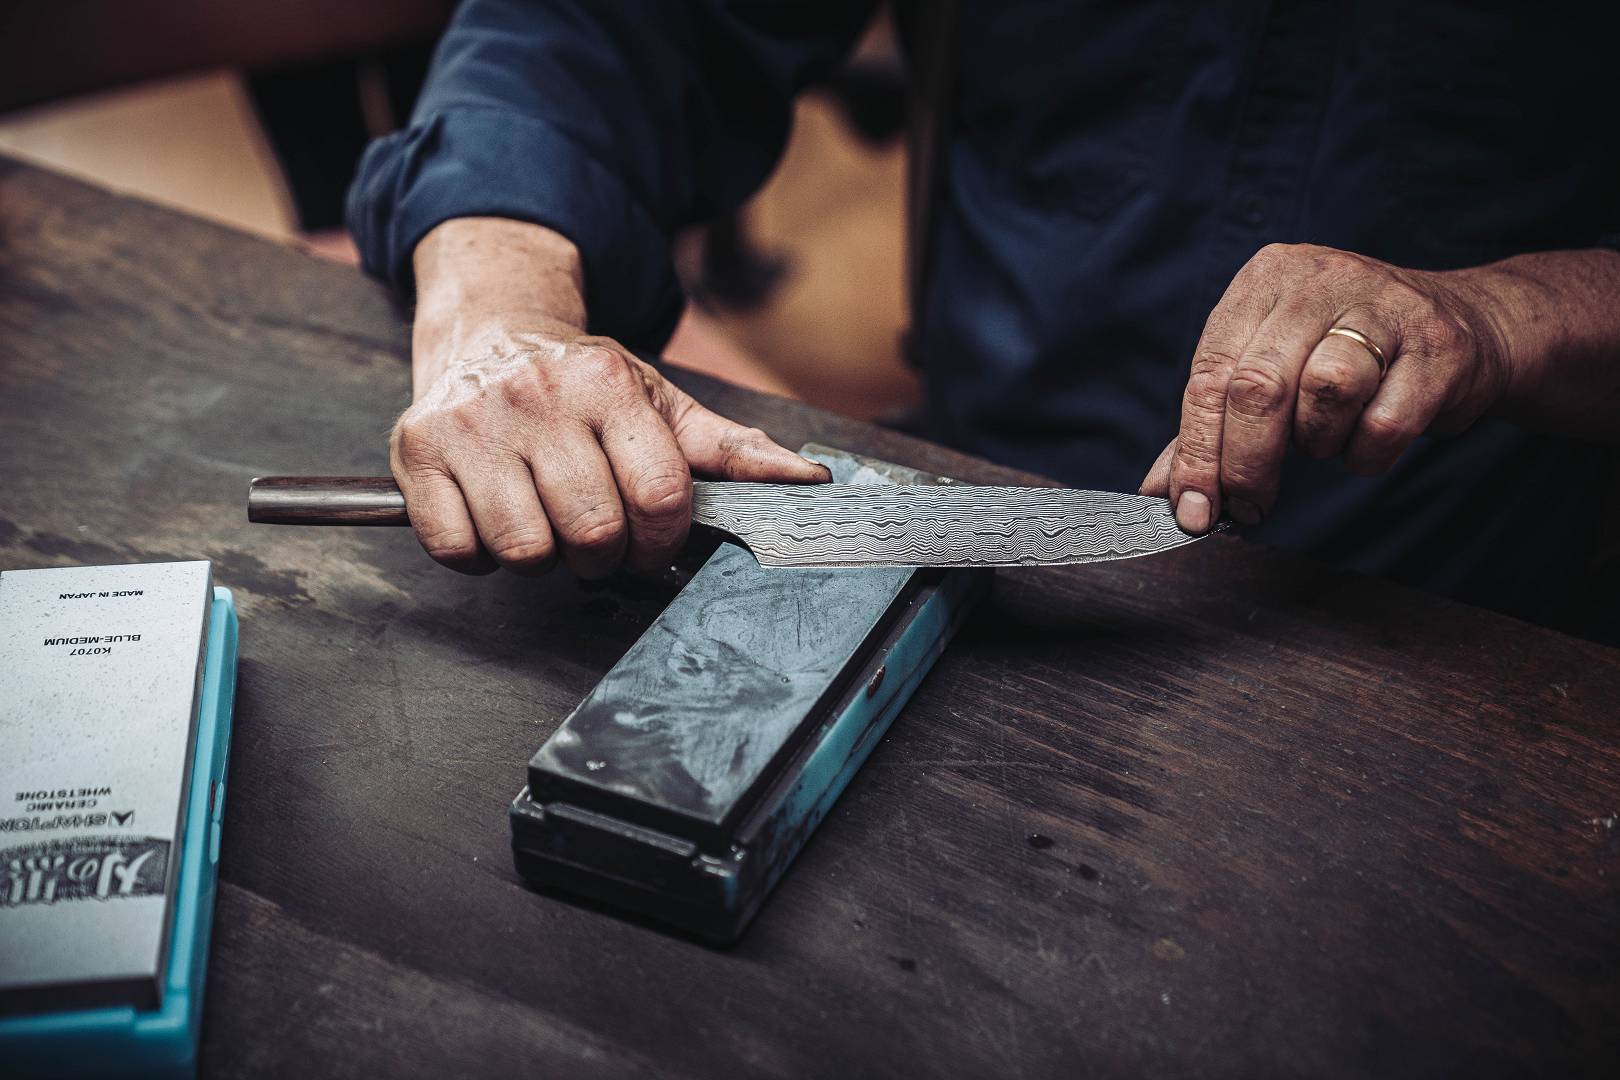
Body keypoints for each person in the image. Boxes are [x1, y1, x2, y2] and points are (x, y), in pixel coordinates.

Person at [347, 1, 1620, 627]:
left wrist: (1511, 316)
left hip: (1489, 611)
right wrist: (494, 308)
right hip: (968, 506)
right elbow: (612, 25)